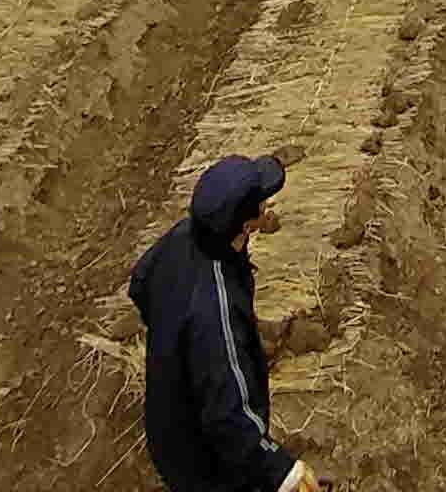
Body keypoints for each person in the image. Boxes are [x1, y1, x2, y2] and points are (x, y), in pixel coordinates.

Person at [129, 153, 318, 492]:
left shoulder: (186, 235)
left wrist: (174, 341)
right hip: (203, 461)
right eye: (261, 201)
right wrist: (283, 471)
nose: (267, 203)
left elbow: (140, 283)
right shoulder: (216, 307)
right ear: (245, 224)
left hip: (167, 420)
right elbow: (227, 418)